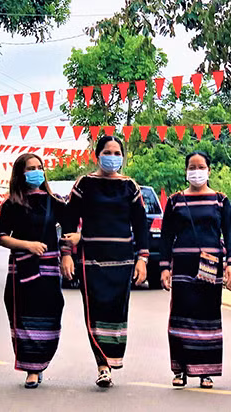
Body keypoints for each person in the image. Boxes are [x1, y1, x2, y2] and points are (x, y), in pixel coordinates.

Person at [61, 135, 149, 388]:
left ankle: (111, 359)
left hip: (122, 261)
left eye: (117, 152)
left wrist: (142, 259)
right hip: (91, 261)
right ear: (97, 155)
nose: (113, 157)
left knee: (117, 312)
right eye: (107, 152)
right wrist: (67, 253)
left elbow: (141, 225)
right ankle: (102, 365)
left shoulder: (130, 187)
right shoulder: (84, 184)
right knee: (95, 311)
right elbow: (69, 220)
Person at [0, 153, 80, 388]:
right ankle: (31, 370)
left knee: (50, 315)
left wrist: (67, 254)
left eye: (39, 167)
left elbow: (71, 229)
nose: (36, 171)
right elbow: (1, 237)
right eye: (30, 168)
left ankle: (41, 362)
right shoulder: (12, 204)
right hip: (21, 270)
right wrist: (27, 245)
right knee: (22, 317)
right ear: (20, 174)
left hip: (49, 271)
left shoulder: (55, 203)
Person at [160, 151, 231, 389]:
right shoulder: (174, 201)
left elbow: (230, 233)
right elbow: (166, 237)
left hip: (210, 268)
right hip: (182, 268)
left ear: (209, 170)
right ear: (186, 171)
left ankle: (206, 371)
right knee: (180, 317)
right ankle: (180, 369)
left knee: (208, 317)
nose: (196, 171)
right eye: (192, 167)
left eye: (201, 166)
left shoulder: (220, 200)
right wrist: (165, 267)